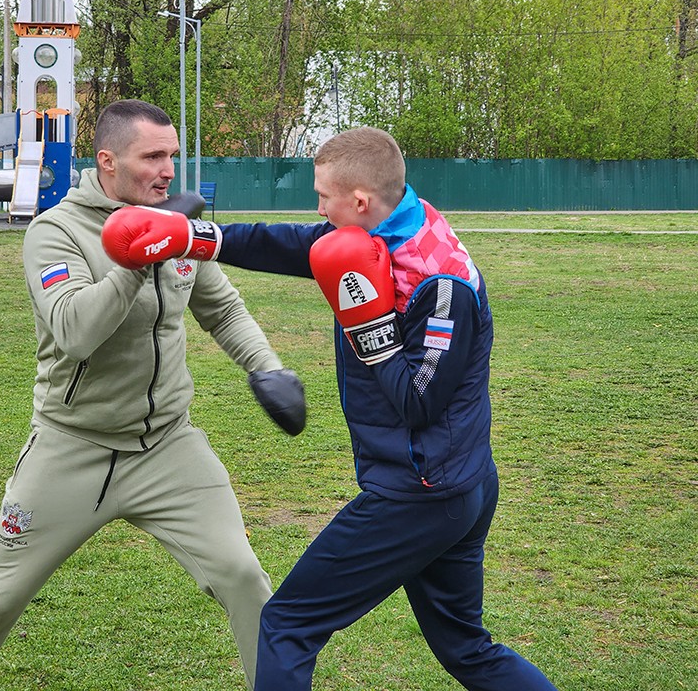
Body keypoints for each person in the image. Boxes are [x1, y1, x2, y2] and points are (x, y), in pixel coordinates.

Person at [101, 126, 559, 690]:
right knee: (466, 647)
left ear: (360, 201)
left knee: (287, 624)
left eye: (324, 196)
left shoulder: (440, 285)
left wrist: (370, 329)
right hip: (456, 479)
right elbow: (301, 245)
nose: (317, 208)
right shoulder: (394, 223)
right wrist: (195, 237)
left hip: (421, 492)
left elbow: (419, 401)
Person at [0, 99, 305, 691]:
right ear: (108, 161)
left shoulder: (176, 226)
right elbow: (74, 332)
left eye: (171, 156)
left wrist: (267, 368)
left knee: (243, 576)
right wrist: (132, 260)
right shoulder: (56, 231)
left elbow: (223, 310)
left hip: (167, 447)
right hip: (72, 446)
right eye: (152, 156)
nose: (167, 171)